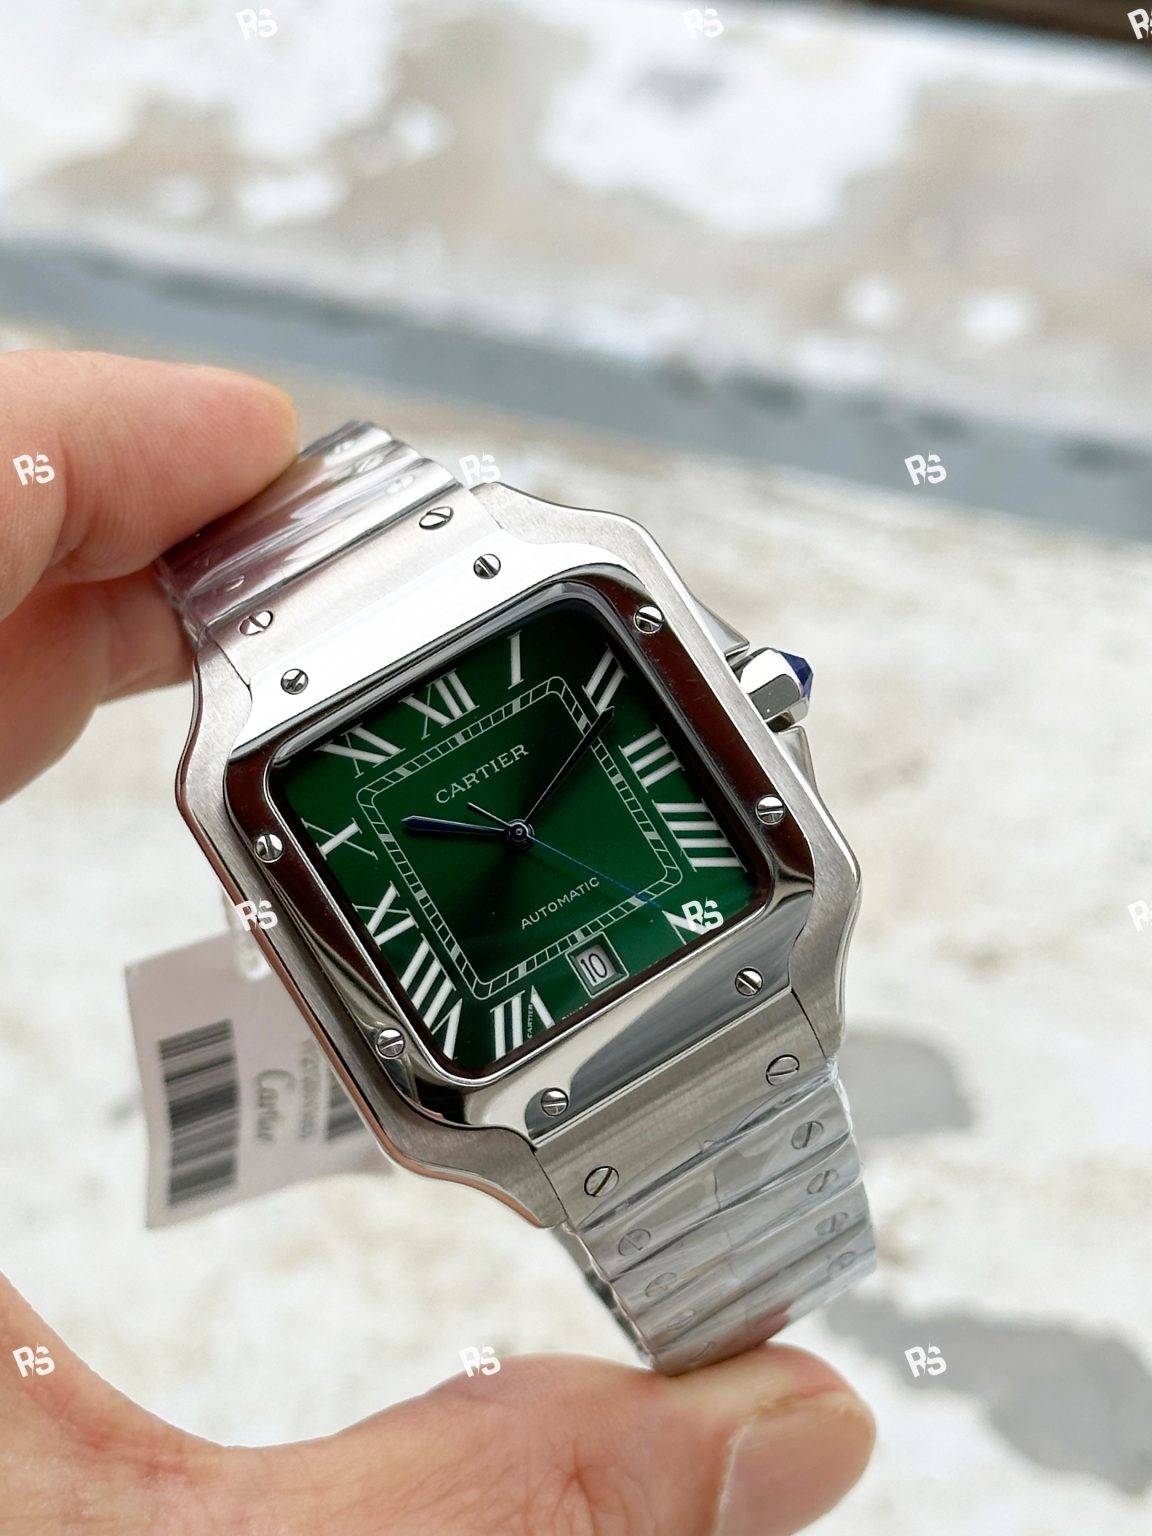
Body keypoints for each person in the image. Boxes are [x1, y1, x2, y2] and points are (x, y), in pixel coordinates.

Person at [0, 349, 875, 1534]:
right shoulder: (264, 756)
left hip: (740, 990)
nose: (517, 833)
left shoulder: (567, 598)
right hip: (593, 1090)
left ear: (751, 703)